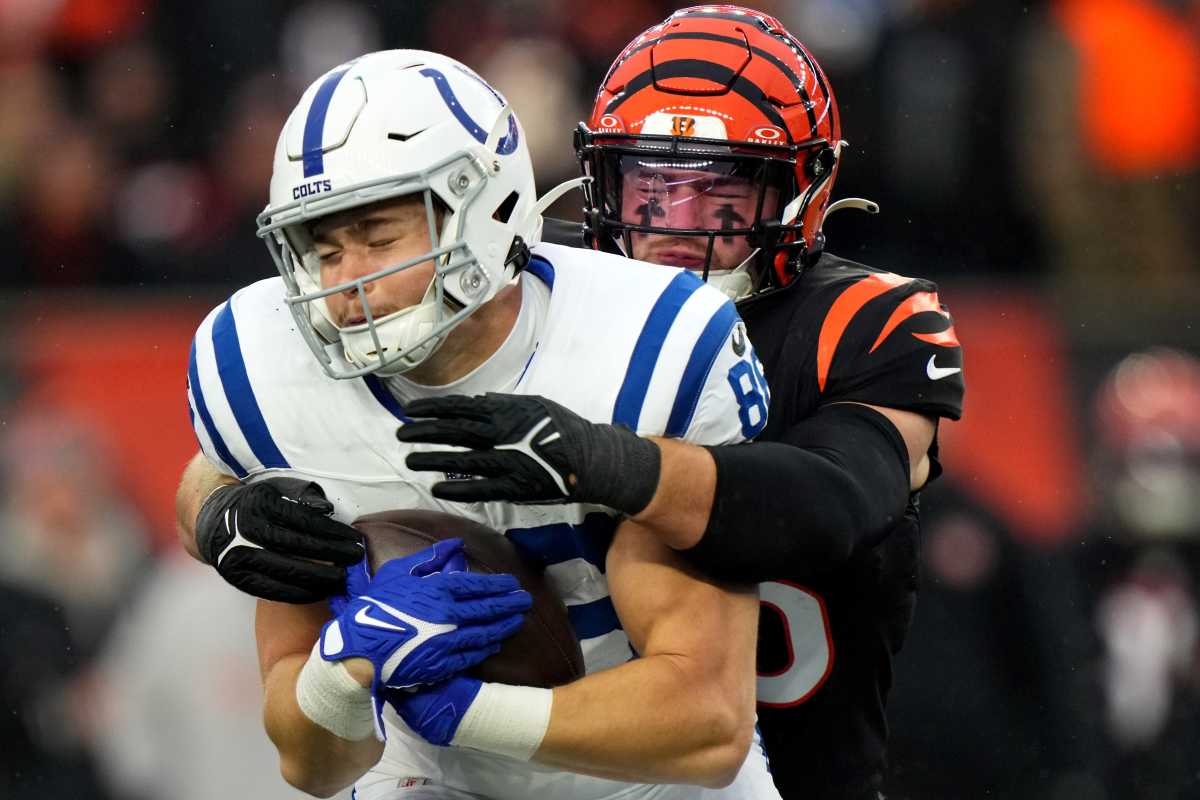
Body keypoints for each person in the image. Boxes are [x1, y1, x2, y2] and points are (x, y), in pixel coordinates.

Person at [176, 49, 778, 799]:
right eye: (322, 249)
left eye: (377, 238)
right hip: (427, 781)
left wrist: (462, 712)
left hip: (645, 785)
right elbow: (311, 767)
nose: (344, 285)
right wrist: (340, 674)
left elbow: (708, 725)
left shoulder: (642, 347)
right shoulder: (266, 372)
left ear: (487, 206)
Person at [398, 8, 966, 799]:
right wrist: (219, 511)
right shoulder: (538, 300)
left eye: (720, 193)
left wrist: (607, 463)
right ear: (602, 181)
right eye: (650, 188)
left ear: (802, 190)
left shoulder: (864, 321)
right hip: (561, 771)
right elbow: (318, 409)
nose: (675, 228)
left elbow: (834, 502)